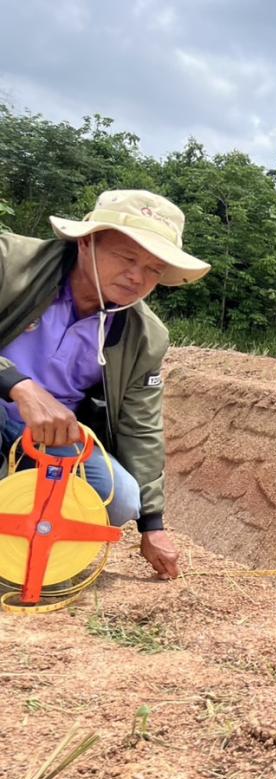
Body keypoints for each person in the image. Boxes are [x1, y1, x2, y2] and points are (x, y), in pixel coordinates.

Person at [0, 189, 210, 579]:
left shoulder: (145, 335)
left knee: (121, 500)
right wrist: (17, 384)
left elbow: (141, 426)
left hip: (50, 438)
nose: (137, 277)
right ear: (86, 242)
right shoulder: (10, 263)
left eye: (153, 269)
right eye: (127, 258)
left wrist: (152, 524)